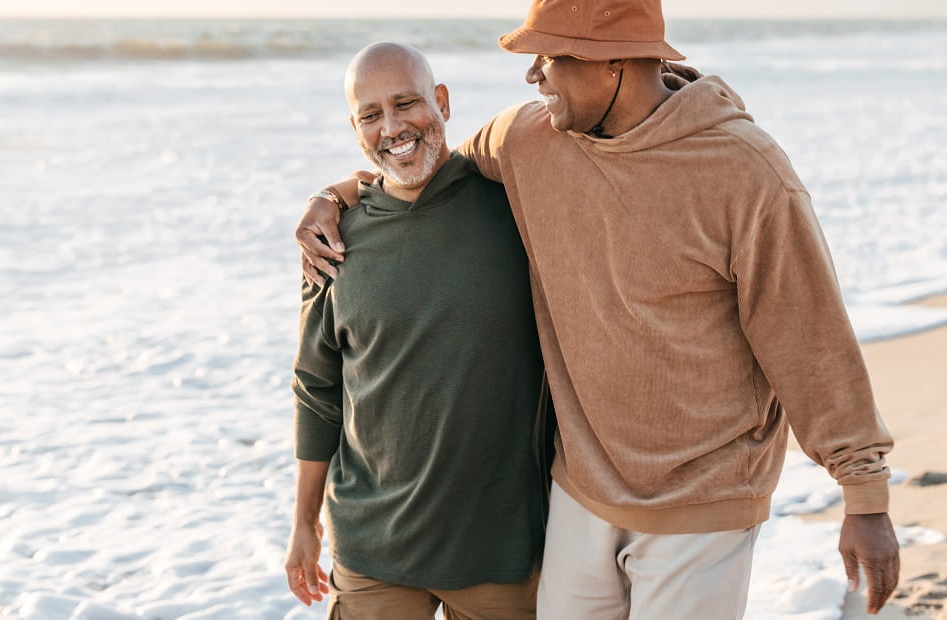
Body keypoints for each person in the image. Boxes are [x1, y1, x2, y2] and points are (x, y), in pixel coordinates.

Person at [295, 1, 901, 618]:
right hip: (580, 488)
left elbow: (809, 339)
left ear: (614, 62)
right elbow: (419, 167)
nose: (533, 77)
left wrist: (865, 496)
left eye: (549, 59)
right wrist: (334, 194)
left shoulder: (746, 172)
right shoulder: (530, 138)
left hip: (704, 497)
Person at [283, 42, 550, 619]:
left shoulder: (516, 209)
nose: (393, 127)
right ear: (355, 127)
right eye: (371, 114)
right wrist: (304, 524)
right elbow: (317, 392)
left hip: (501, 554)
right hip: (372, 551)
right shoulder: (331, 241)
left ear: (443, 102)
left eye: (407, 103)